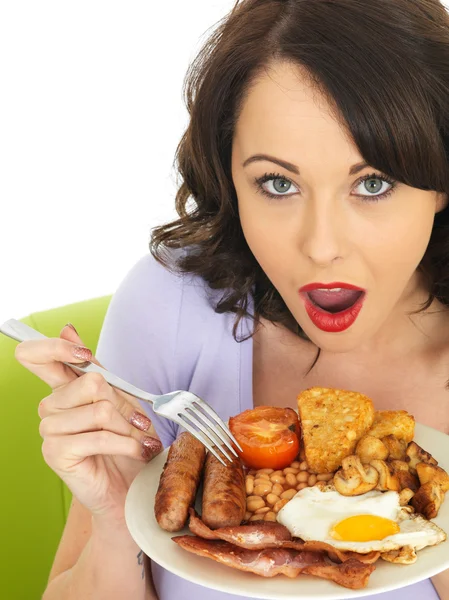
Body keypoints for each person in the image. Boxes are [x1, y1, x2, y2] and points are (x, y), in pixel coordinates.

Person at [14, 0, 449, 598]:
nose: (321, 247)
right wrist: (117, 522)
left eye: (372, 184)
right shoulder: (168, 305)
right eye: (278, 183)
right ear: (230, 181)